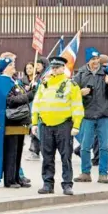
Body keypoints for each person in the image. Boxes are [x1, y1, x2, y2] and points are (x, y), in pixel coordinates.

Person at [31, 57, 84, 196]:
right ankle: (48, 184)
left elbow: (77, 106)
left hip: (64, 125)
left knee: (66, 156)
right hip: (46, 125)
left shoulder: (70, 85)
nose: (54, 70)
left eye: (57, 67)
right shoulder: (44, 84)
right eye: (53, 67)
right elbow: (36, 104)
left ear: (63, 68)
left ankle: (67, 184)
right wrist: (35, 122)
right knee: (47, 156)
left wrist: (76, 125)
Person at [73, 47, 108, 184]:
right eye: (93, 59)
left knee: (104, 146)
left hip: (105, 115)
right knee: (85, 146)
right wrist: (79, 93)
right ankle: (85, 172)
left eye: (97, 59)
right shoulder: (80, 74)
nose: (95, 62)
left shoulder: (106, 73)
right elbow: (71, 92)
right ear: (88, 61)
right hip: (88, 115)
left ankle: (103, 174)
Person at [0, 57, 34, 188]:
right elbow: (11, 100)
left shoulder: (12, 80)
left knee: (18, 151)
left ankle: (17, 177)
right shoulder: (3, 81)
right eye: (11, 65)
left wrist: (30, 91)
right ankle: (9, 179)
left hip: (19, 121)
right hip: (11, 121)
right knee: (11, 152)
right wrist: (29, 96)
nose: (14, 66)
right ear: (5, 67)